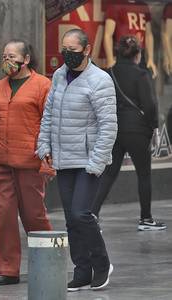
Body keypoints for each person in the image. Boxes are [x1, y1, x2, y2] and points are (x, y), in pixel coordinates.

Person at [37, 29, 117, 292]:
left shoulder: (100, 80)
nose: (67, 55)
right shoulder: (59, 76)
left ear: (87, 49)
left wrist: (97, 162)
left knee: (82, 213)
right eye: (64, 50)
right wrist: (44, 144)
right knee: (71, 218)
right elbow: (49, 113)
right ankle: (82, 270)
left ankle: (102, 264)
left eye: (72, 50)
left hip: (88, 160)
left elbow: (108, 126)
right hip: (64, 158)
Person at [0, 39, 53, 286]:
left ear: (26, 59)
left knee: (35, 216)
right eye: (4, 56)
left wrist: (48, 163)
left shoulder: (43, 85)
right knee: (4, 218)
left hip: (30, 163)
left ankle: (48, 263)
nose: (7, 61)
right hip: (2, 163)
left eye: (11, 56)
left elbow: (51, 125)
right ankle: (7, 270)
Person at [92, 35, 165, 231]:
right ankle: (146, 219)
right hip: (138, 131)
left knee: (109, 173)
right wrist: (154, 126)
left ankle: (92, 214)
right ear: (137, 55)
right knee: (143, 175)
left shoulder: (109, 73)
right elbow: (149, 105)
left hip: (114, 128)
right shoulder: (141, 75)